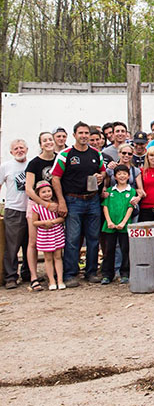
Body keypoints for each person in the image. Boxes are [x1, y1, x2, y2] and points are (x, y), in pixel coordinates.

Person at [51, 122, 106, 287]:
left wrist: (101, 176)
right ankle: (70, 274)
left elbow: (103, 170)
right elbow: (55, 178)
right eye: (80, 133)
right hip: (73, 200)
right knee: (73, 239)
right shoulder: (65, 154)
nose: (84, 136)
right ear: (74, 135)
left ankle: (91, 272)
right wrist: (61, 201)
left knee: (93, 238)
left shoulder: (96, 153)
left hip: (93, 200)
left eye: (86, 133)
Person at [24, 132, 57, 290]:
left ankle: (54, 273)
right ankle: (34, 276)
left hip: (54, 205)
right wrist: (45, 204)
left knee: (55, 241)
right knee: (33, 241)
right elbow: (29, 189)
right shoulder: (34, 163)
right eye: (45, 141)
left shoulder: (59, 158)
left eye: (50, 139)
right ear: (40, 144)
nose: (48, 142)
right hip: (36, 205)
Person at [1, 139, 30, 290]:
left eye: (22, 148)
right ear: (11, 152)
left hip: (31, 210)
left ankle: (28, 272)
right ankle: (11, 276)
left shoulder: (31, 164)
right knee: (12, 246)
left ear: (27, 149)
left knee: (30, 244)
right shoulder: (6, 167)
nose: (19, 150)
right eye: (16, 148)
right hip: (14, 210)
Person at [100, 165, 135, 284]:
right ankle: (107, 274)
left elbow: (130, 208)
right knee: (109, 250)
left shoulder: (131, 191)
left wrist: (123, 222)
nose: (122, 176)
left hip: (124, 226)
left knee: (125, 249)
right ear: (115, 176)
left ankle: (124, 273)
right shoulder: (110, 191)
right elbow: (105, 206)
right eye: (119, 174)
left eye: (124, 173)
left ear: (129, 176)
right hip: (110, 226)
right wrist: (109, 221)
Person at [31, 181, 65, 290]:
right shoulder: (37, 208)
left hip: (56, 232)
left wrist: (53, 222)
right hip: (44, 234)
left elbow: (62, 218)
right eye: (43, 192)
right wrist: (45, 223)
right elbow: (34, 222)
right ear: (38, 194)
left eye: (49, 191)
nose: (47, 194)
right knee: (48, 258)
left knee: (58, 256)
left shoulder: (56, 204)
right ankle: (51, 281)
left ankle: (60, 279)